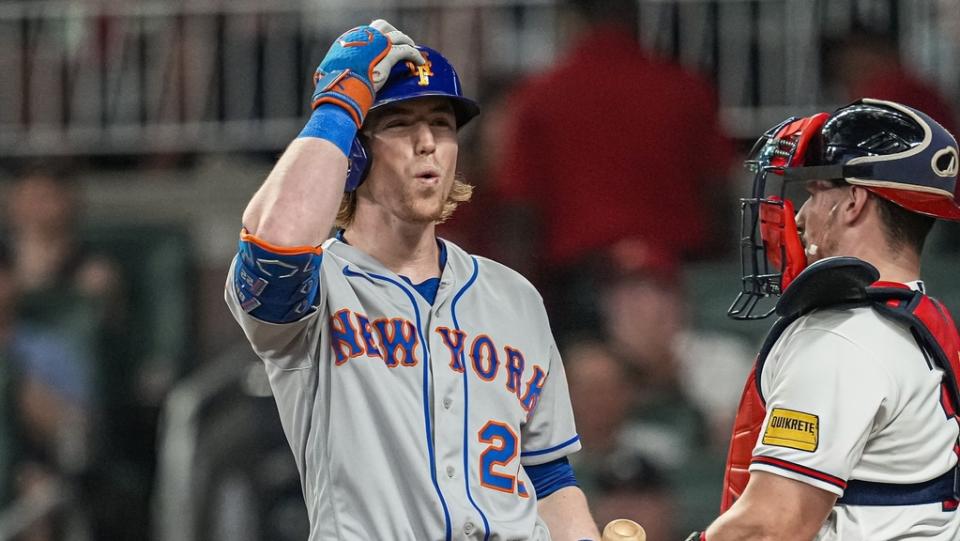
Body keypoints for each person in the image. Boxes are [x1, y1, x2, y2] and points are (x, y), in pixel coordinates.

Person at [224, 19, 600, 540]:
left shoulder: (513, 296)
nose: (428, 143)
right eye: (399, 123)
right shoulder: (320, 285)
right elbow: (274, 246)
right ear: (354, 152)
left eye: (442, 124)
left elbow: (548, 476)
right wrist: (338, 107)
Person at [685, 99, 960, 540]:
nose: (799, 215)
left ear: (852, 201)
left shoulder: (841, 339)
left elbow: (772, 527)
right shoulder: (922, 318)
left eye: (813, 193)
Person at [491, 0, 733, 336]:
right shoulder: (686, 89)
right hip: (677, 281)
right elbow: (719, 197)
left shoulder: (540, 96)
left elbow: (520, 211)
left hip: (580, 288)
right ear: (636, 11)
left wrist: (515, 311)